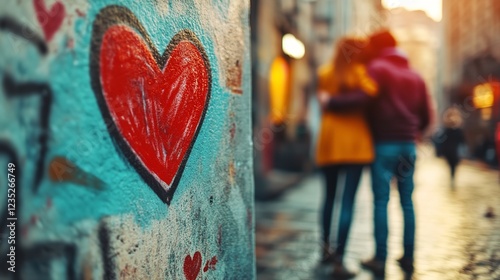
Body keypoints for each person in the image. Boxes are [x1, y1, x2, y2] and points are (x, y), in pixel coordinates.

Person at [325, 30, 433, 276]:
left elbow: (363, 98)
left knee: (381, 202)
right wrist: (413, 132)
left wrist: (331, 102)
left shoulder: (377, 68)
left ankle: (380, 258)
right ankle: (408, 257)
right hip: (408, 146)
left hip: (383, 145)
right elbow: (426, 116)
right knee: (407, 201)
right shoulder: (416, 75)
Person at [315, 36, 378, 278]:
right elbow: (368, 96)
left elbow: (323, 103)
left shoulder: (325, 72)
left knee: (329, 198)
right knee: (347, 202)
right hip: (355, 144)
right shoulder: (361, 73)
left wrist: (332, 101)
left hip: (330, 142)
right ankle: (340, 258)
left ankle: (324, 250)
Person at [440, 107, 465, 183]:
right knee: (451, 165)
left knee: (454, 166)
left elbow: (462, 141)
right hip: (449, 151)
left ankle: (452, 178)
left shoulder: (458, 130)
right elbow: (443, 141)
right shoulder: (447, 130)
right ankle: (452, 177)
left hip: (455, 151)